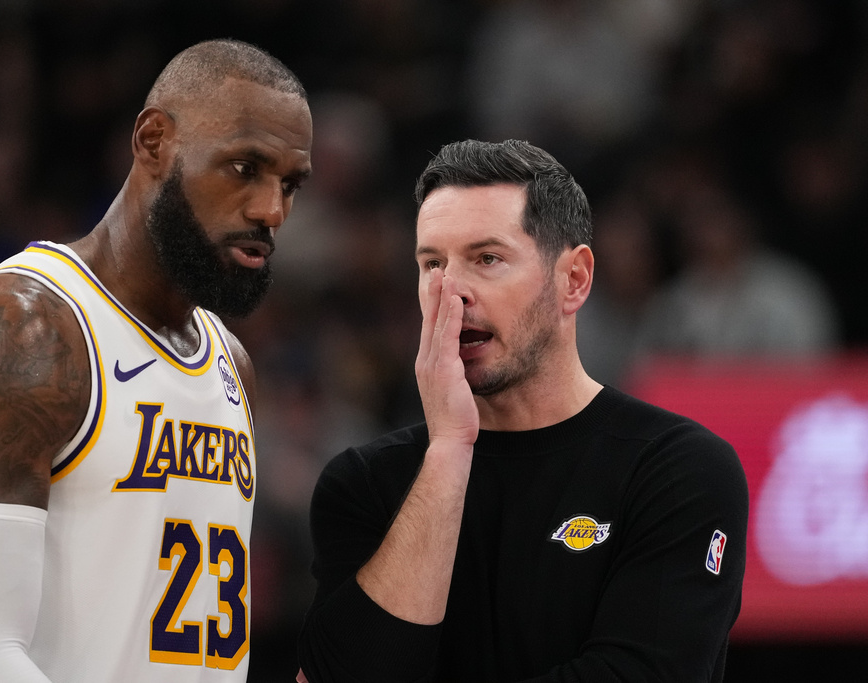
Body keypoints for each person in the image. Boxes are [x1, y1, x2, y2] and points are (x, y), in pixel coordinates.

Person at [0, 38, 313, 682]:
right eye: (244, 168)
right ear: (153, 141)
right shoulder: (18, 334)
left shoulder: (232, 367)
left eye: (290, 183)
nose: (270, 210)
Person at [296, 139, 748, 682]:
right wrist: (447, 452)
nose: (452, 291)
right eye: (432, 264)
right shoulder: (364, 483)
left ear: (574, 280)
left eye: (487, 259)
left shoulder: (679, 469)